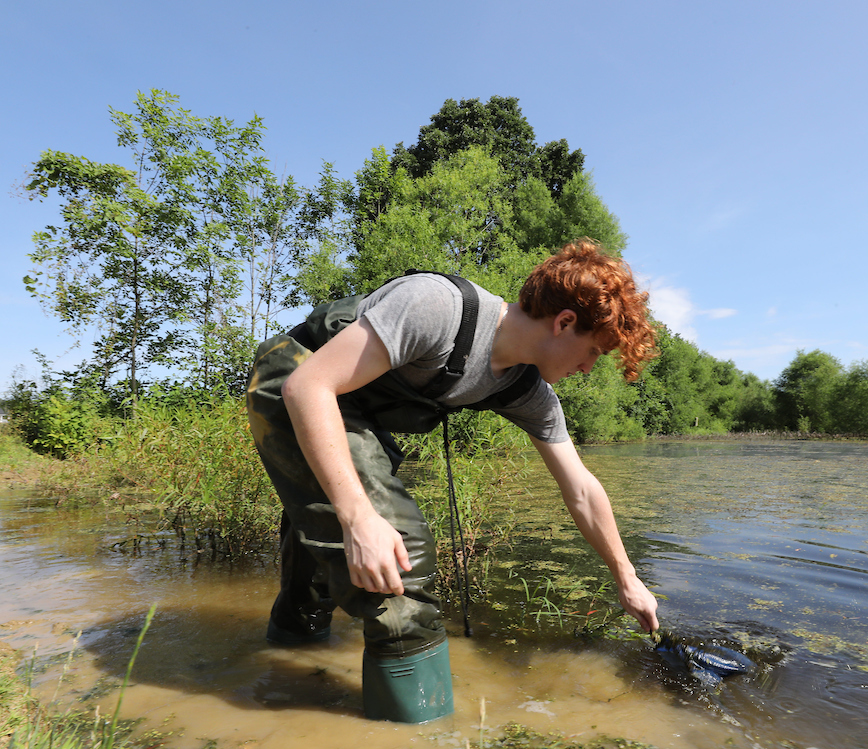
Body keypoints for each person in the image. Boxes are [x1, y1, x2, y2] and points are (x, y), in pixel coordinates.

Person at [246, 239, 660, 724]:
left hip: (347, 407)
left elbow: (582, 490)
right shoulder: (437, 307)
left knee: (321, 557)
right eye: (592, 351)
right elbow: (309, 386)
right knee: (395, 556)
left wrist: (627, 579)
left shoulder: (528, 390)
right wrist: (359, 517)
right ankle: (421, 744)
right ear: (564, 322)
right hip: (297, 382)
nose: (589, 368)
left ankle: (287, 665)